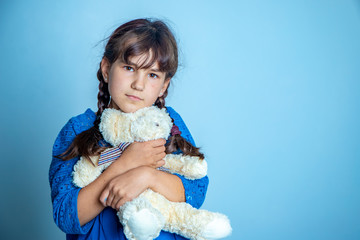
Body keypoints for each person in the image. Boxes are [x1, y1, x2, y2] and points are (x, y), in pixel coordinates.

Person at [49, 18, 209, 239]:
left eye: (152, 74)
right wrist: (125, 164)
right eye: (129, 68)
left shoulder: (170, 123)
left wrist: (145, 176)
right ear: (106, 69)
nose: (138, 84)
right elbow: (65, 215)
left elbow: (195, 191)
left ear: (164, 86)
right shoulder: (78, 128)